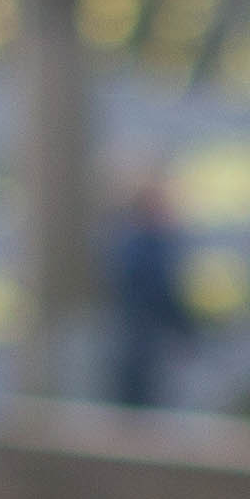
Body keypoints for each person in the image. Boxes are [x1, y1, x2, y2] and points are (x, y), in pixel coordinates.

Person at [100, 162, 199, 408]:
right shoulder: (144, 245)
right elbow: (158, 292)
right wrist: (187, 329)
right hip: (144, 343)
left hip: (139, 341)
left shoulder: (131, 241)